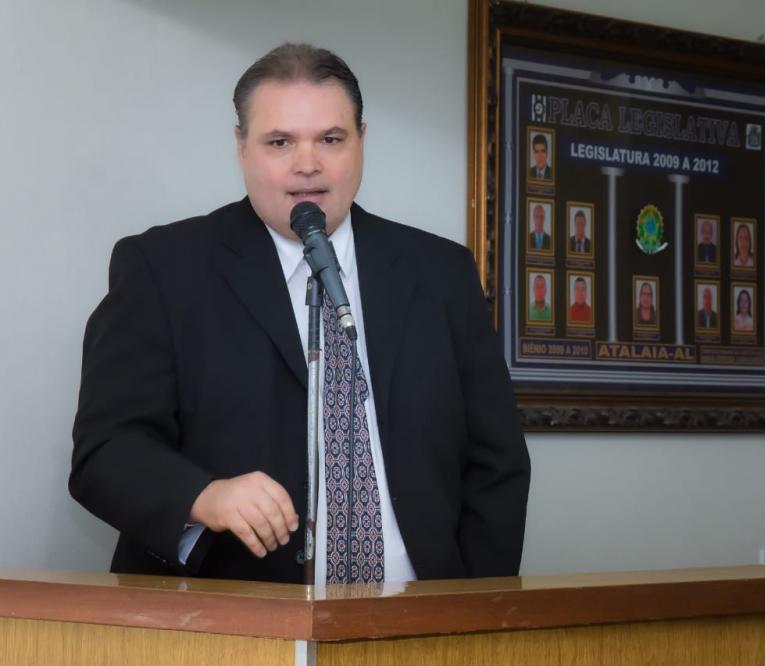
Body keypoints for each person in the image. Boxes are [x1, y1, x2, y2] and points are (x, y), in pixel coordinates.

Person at [70, 43, 530, 586]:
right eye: (280, 141)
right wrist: (204, 496)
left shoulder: (441, 271)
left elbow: (496, 461)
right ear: (241, 147)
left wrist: (473, 607)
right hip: (230, 623)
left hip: (421, 620)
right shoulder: (164, 269)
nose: (307, 163)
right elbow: (106, 453)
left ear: (362, 141)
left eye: (331, 139)